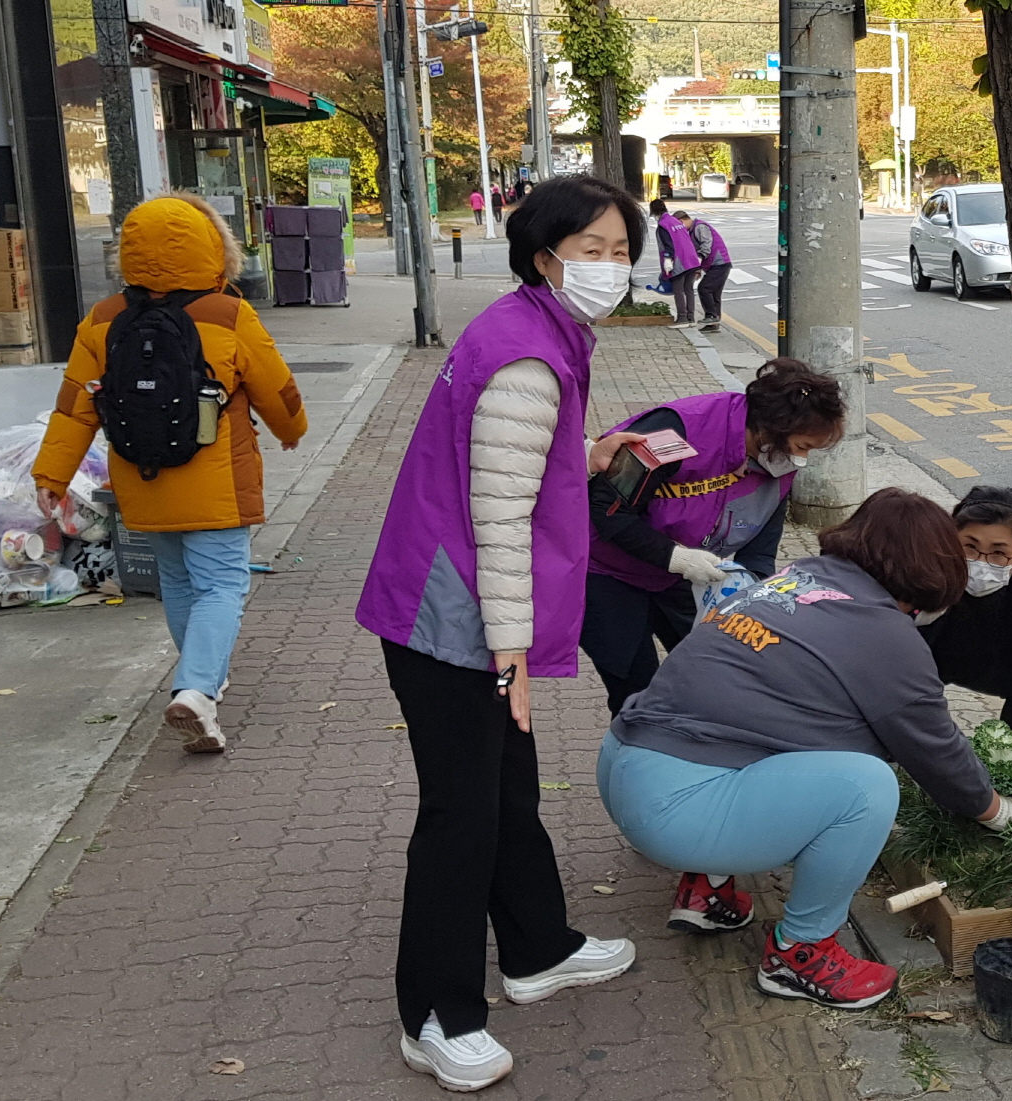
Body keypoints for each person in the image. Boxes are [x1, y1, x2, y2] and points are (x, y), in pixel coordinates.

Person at [355, 175, 652, 1093]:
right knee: (461, 814)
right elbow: (498, 515)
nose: (610, 266)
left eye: (620, 249)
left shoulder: (531, 328)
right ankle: (435, 1014)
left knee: (507, 788)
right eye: (591, 249)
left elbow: (514, 469)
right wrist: (510, 652)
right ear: (543, 256)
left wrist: (586, 454)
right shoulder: (527, 358)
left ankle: (537, 949)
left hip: (458, 608)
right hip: (454, 622)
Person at [596, 488, 1012, 1006]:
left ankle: (708, 889)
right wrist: (999, 812)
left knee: (791, 733)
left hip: (624, 761)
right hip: (677, 809)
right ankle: (800, 954)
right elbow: (936, 749)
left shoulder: (796, 578)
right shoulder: (884, 633)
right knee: (865, 786)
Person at [32, 193, 307, 755]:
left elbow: (74, 406)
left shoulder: (104, 319)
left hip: (142, 476)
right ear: (215, 248)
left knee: (179, 581)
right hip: (217, 480)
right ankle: (199, 689)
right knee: (223, 584)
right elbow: (274, 385)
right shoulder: (227, 314)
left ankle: (203, 676)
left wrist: (52, 473)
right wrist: (291, 429)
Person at [582, 358, 846, 715]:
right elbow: (606, 510)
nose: (803, 459)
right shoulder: (676, 432)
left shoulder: (778, 464)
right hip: (605, 570)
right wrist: (676, 558)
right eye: (802, 446)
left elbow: (759, 548)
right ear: (771, 430)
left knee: (718, 667)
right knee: (635, 687)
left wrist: (748, 594)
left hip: (686, 575)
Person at [916, 486, 1012, 729]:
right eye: (969, 547)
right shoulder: (922, 576)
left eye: (998, 553)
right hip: (935, 662)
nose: (982, 562)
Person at [675, 209, 733, 332]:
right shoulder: (692, 230)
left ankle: (711, 316)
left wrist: (699, 260)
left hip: (719, 263)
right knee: (714, 294)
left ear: (681, 221)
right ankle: (713, 323)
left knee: (704, 288)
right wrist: (699, 268)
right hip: (716, 264)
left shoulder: (700, 227)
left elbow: (706, 244)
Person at [649, 197, 702, 326]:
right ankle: (691, 318)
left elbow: (668, 245)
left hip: (679, 260)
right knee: (688, 289)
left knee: (678, 289)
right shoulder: (675, 221)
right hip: (692, 259)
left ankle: (682, 318)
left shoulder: (663, 225)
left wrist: (668, 260)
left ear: (654, 212)